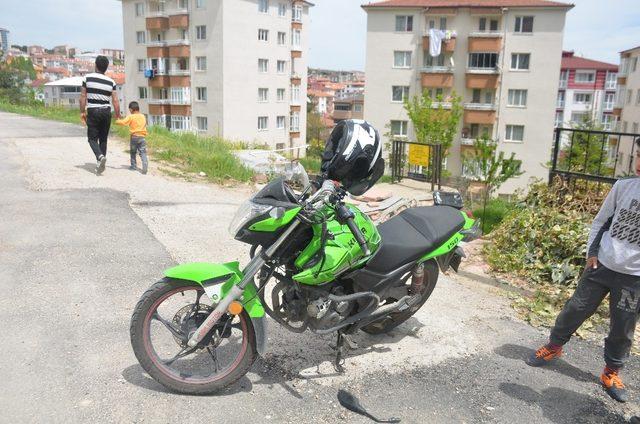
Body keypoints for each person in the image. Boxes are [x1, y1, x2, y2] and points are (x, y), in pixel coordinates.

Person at [527, 137, 640, 403]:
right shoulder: (624, 187)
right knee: (576, 308)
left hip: (634, 278)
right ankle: (554, 347)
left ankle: (611, 372)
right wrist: (591, 253)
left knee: (623, 325)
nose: (639, 162)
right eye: (639, 156)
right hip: (601, 265)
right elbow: (600, 221)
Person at [79, 55, 120, 175]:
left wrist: (82, 111)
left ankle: (100, 157)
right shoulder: (111, 82)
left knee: (92, 139)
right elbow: (115, 100)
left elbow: (83, 96)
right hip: (106, 112)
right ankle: (101, 162)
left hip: (93, 111)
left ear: (95, 65)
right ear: (106, 68)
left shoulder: (87, 78)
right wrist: (117, 115)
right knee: (103, 139)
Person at [115, 101, 148, 174]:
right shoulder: (143, 116)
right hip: (142, 137)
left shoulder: (131, 116)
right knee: (143, 152)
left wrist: (117, 121)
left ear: (131, 109)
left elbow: (123, 122)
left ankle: (133, 166)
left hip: (134, 137)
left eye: (129, 109)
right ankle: (145, 167)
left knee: (133, 152)